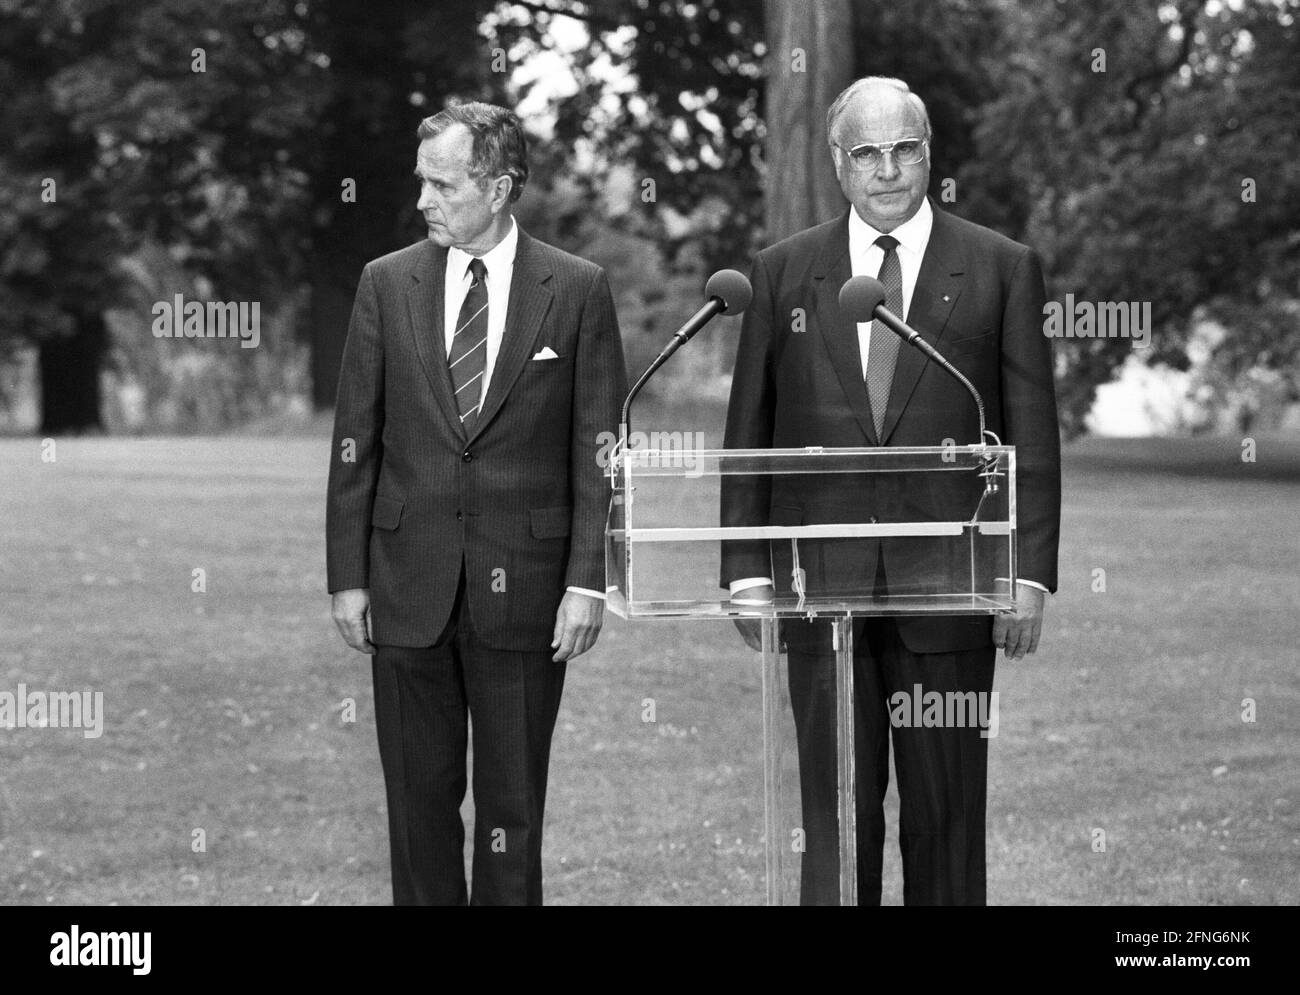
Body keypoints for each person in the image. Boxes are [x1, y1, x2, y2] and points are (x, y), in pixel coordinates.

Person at [721, 77, 1061, 905]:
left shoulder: (1000, 268)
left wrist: (1029, 572)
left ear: (928, 154)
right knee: (836, 818)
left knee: (947, 818)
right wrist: (744, 569)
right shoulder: (782, 271)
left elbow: (1031, 431)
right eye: (866, 153)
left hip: (951, 591)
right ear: (838, 164)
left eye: (903, 149)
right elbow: (749, 431)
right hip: (819, 595)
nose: (886, 169)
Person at [326, 102, 627, 905]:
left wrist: (588, 580)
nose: (422, 198)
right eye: (421, 180)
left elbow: (600, 449)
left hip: (527, 592)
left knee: (511, 812)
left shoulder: (578, 288)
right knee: (417, 809)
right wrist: (347, 575)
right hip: (405, 585)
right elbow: (355, 439)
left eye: (441, 183)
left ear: (499, 188)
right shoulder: (385, 284)